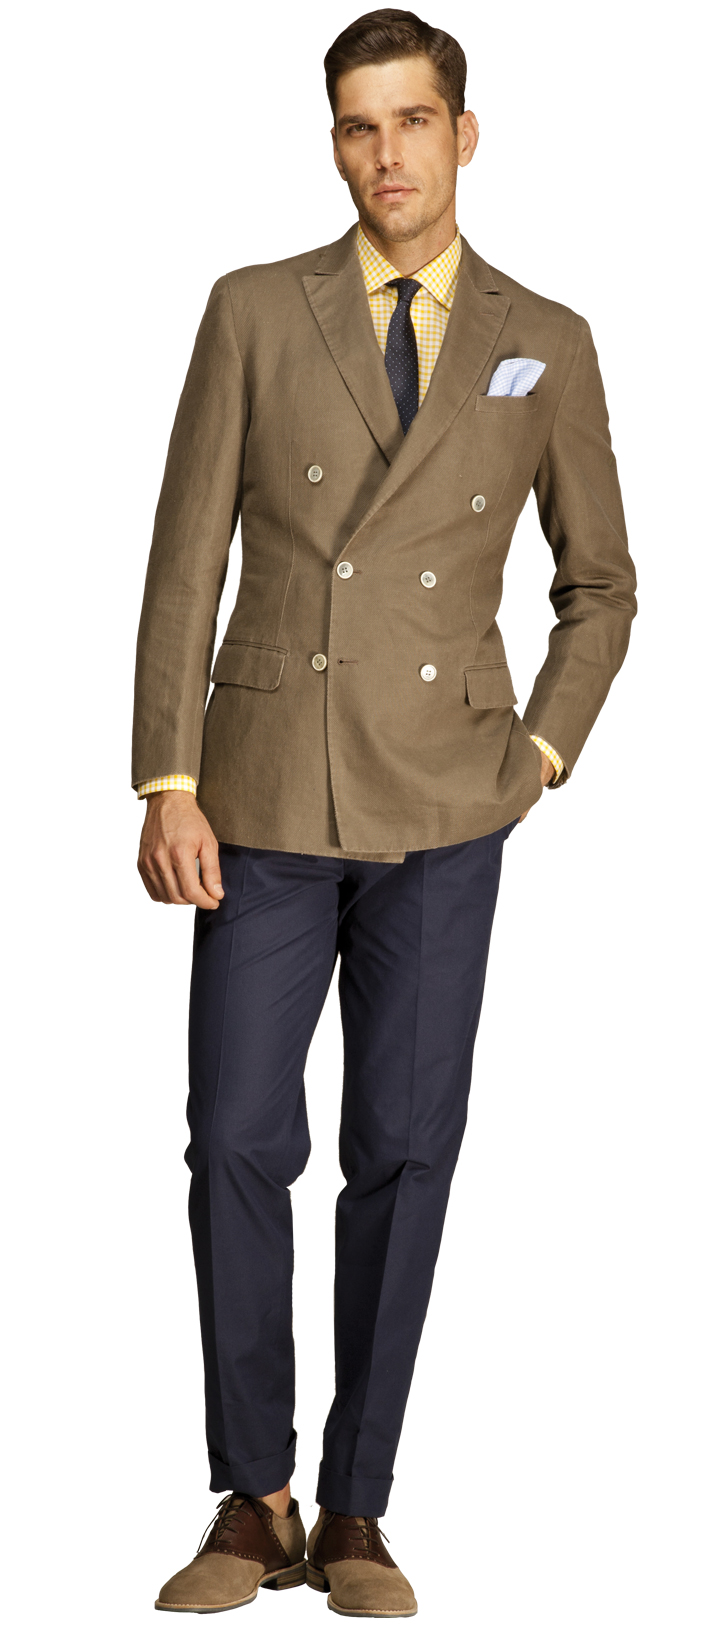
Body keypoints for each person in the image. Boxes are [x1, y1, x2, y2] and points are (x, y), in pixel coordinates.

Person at [133, 8, 636, 1617]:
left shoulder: (542, 336)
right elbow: (185, 558)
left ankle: (356, 1507)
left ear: (462, 135)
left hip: (445, 801)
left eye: (412, 121)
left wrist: (536, 754)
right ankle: (252, 1496)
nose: (386, 155)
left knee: (405, 1151)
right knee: (235, 1138)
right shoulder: (254, 308)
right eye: (358, 126)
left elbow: (600, 583)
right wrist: (166, 776)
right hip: (265, 787)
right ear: (334, 143)